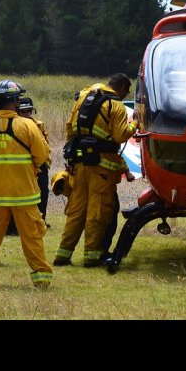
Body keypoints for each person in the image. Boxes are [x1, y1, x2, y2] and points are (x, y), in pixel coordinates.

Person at [0, 80, 53, 289]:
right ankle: (41, 278)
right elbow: (42, 155)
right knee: (32, 237)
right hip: (23, 194)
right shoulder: (27, 125)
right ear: (15, 102)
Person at [55, 73, 138, 267]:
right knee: (97, 211)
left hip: (79, 164)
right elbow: (120, 136)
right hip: (101, 168)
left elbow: (69, 128)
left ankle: (62, 255)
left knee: (76, 211)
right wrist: (135, 124)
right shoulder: (115, 106)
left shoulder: (84, 97)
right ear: (123, 89)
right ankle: (91, 257)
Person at [18, 96, 52, 226]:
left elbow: (46, 144)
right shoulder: (17, 127)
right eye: (23, 112)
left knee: (43, 192)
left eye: (29, 111)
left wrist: (47, 161)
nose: (27, 114)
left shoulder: (39, 125)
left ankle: (41, 220)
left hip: (40, 164)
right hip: (24, 166)